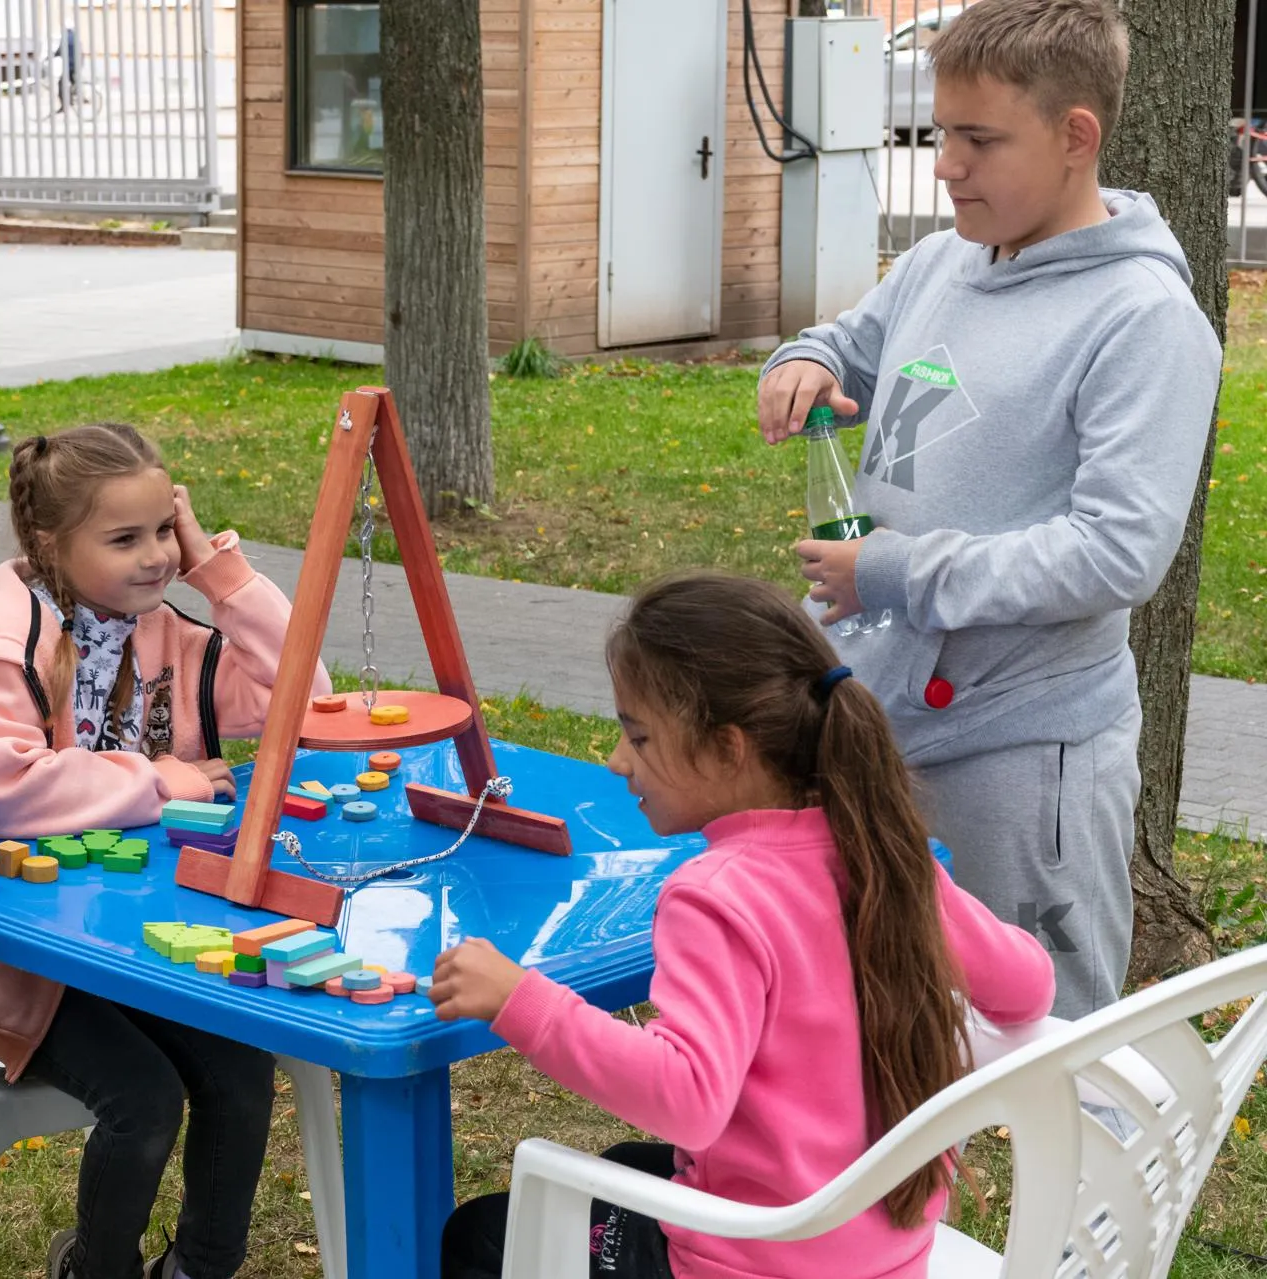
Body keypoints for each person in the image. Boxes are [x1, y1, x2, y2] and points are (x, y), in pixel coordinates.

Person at [754, 0, 1222, 1016]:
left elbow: (1117, 554)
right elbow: (853, 341)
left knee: (1045, 1039)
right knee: (888, 1021)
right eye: (937, 134)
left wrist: (893, 572)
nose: (947, 165)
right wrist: (806, 359)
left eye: (978, 140)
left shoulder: (1144, 321)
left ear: (1075, 136)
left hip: (1023, 757)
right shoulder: (941, 263)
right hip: (877, 724)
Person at [429, 573, 1056, 1279]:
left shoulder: (716, 896)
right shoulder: (887, 854)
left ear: (729, 749)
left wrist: (521, 999)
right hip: (880, 1250)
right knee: (618, 1171)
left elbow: (687, 1098)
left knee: (481, 1236)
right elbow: (1029, 985)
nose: (617, 760)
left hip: (756, 1261)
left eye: (638, 735)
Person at [0, 422, 329, 1279]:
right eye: (126, 538)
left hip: (107, 935)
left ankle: (196, 1270)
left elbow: (303, 702)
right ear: (50, 541)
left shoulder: (162, 624)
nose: (155, 556)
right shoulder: (5, 624)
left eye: (165, 530)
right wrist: (159, 777)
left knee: (238, 1073)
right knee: (145, 1099)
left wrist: (218, 569)